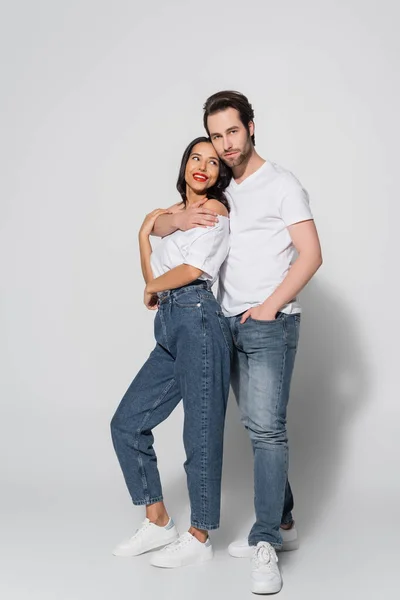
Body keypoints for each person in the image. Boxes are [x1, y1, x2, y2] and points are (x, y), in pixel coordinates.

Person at [152, 91, 323, 593]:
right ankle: (285, 522)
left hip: (269, 324)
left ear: (251, 127)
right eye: (216, 135)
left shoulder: (282, 184)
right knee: (256, 427)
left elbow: (311, 254)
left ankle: (266, 539)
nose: (225, 144)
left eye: (232, 131)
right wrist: (173, 220)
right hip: (221, 325)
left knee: (268, 431)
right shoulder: (221, 188)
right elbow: (163, 220)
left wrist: (269, 306)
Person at [110, 137, 233, 569]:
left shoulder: (215, 211)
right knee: (127, 423)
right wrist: (145, 230)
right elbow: (153, 272)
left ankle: (200, 535)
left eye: (213, 162)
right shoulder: (173, 215)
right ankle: (158, 519)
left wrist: (153, 283)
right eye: (196, 158)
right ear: (184, 165)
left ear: (220, 175)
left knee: (199, 432)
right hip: (168, 323)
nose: (203, 166)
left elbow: (194, 270)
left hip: (198, 317)